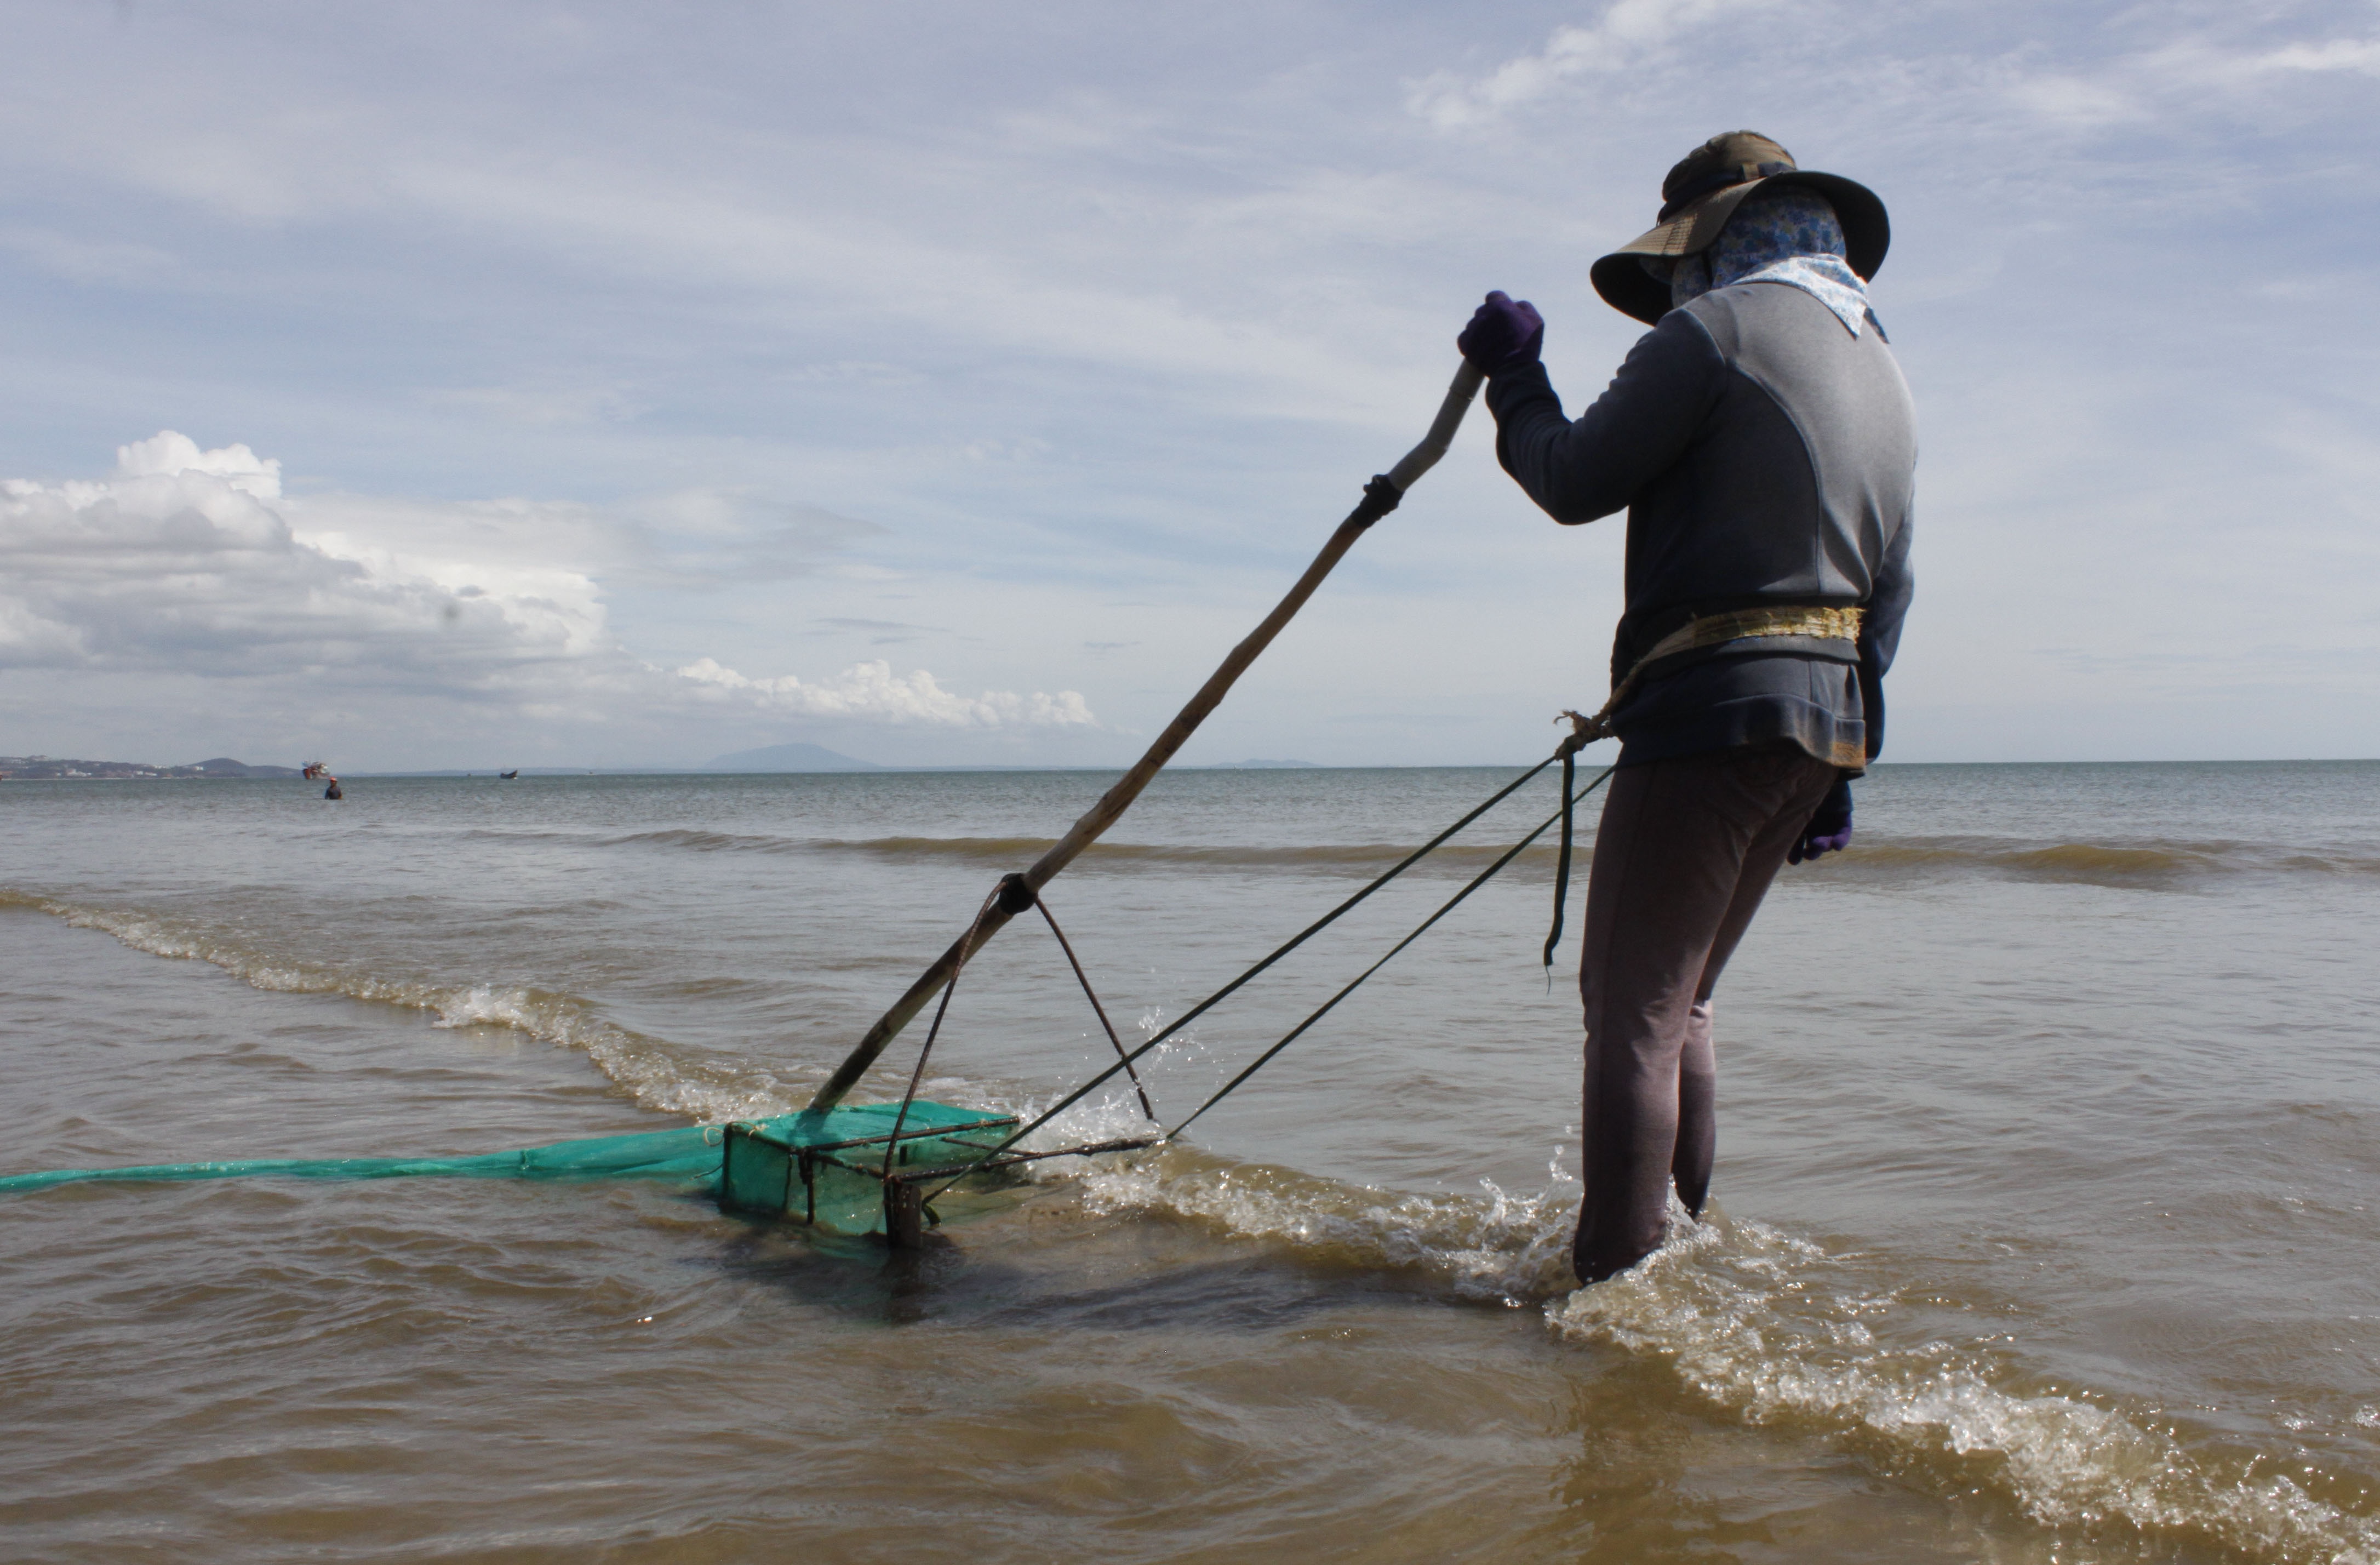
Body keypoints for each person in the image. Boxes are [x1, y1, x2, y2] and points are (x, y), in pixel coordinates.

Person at [1456, 130, 1915, 1284]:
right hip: (1825, 713)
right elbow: (1895, 586)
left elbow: (1568, 477)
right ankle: (1679, 1261)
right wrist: (1843, 767)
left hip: (1712, 705)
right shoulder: (1883, 365)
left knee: (1631, 1012)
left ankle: (1607, 1289)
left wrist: (1515, 374)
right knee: (1686, 1003)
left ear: (1706, 242)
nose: (1669, 290)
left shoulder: (1709, 331)